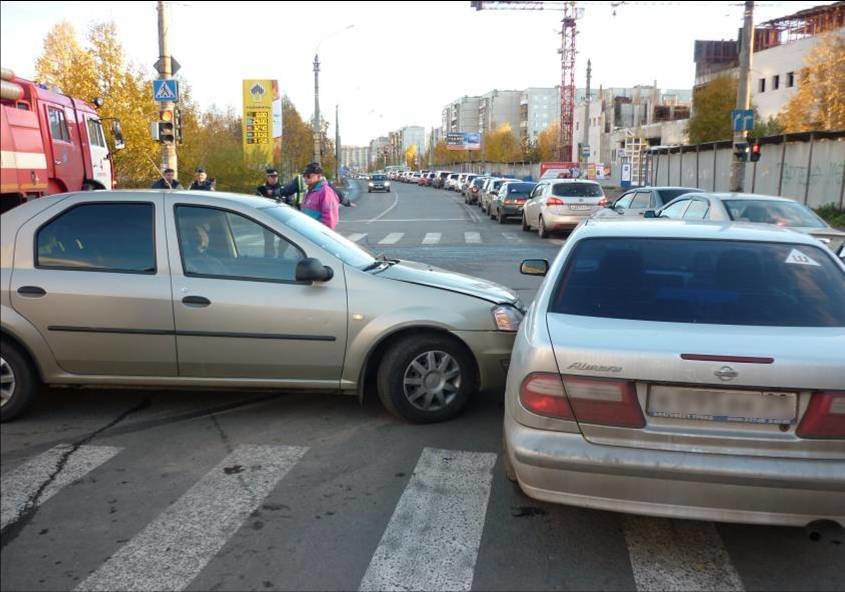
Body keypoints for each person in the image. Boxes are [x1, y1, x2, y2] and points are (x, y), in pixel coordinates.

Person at [277, 171, 355, 210]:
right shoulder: (322, 180)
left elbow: (335, 192)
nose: (306, 179)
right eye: (306, 176)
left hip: (309, 212)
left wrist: (347, 202)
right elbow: (287, 190)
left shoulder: (323, 182)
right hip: (304, 210)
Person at [300, 162, 339, 229]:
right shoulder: (309, 191)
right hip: (306, 233)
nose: (305, 178)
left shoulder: (325, 192)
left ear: (318, 176)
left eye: (308, 176)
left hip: (316, 234)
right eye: (304, 175)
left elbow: (330, 221)